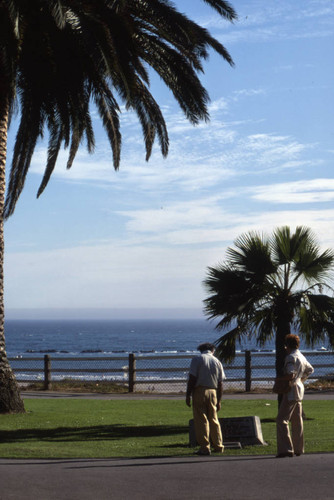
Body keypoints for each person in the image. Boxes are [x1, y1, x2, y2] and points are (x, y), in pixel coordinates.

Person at [276, 333, 314, 458]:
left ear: (287, 345)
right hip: (299, 388)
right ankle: (298, 448)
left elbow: (291, 374)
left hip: (291, 389)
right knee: (297, 421)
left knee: (282, 419)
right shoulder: (301, 356)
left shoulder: (291, 357)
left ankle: (286, 449)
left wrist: (281, 379)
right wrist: (301, 379)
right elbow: (310, 370)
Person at [186, 342, 226, 455]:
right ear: (212, 350)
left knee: (201, 420)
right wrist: (219, 400)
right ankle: (219, 445)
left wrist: (188, 394)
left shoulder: (197, 359)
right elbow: (220, 383)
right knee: (214, 419)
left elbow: (192, 378)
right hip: (213, 391)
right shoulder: (217, 361)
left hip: (200, 391)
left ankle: (205, 447)